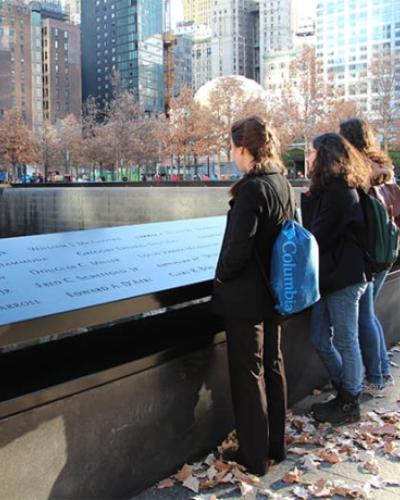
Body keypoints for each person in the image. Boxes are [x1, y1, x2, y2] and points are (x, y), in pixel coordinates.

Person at [212, 116, 296, 475]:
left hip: (246, 299)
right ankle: (275, 446)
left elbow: (237, 250)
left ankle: (254, 456)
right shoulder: (282, 184)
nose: (232, 154)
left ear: (243, 149)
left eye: (232, 148)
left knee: (248, 375)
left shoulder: (251, 190)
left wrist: (220, 276)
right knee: (273, 366)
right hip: (275, 292)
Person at [301, 133, 371, 425]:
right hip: (330, 278)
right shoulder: (329, 190)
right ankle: (345, 389)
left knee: (345, 339)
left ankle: (349, 400)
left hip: (344, 279)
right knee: (320, 337)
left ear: (325, 156)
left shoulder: (340, 192)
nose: (308, 157)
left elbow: (317, 235)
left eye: (312, 152)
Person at [340, 118, 396, 393]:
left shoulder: (362, 171)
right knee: (369, 314)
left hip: (369, 253)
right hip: (386, 251)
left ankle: (376, 374)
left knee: (364, 316)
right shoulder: (385, 169)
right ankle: (381, 370)